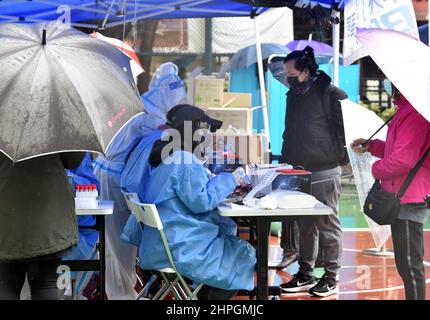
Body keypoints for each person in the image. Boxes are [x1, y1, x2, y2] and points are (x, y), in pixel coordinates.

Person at [137, 105, 256, 300]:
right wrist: (231, 179)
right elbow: (201, 201)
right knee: (242, 256)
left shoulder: (169, 155)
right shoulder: (184, 159)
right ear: (192, 132)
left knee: (231, 244)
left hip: (163, 243)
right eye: (204, 132)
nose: (207, 138)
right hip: (182, 247)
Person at [93, 62, 188, 299]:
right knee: (118, 243)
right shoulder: (148, 112)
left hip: (109, 172)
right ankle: (120, 292)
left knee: (114, 241)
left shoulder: (144, 103)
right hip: (115, 177)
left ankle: (119, 289)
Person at [352, 82, 430, 300]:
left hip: (409, 196)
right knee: (406, 264)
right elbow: (399, 148)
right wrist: (373, 146)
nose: (387, 83)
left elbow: (404, 159)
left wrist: (376, 169)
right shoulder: (407, 109)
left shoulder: (414, 113)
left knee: (410, 266)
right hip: (404, 194)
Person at [279, 46, 347, 297]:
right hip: (299, 170)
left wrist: (336, 157)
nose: (288, 78)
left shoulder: (332, 94)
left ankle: (331, 277)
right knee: (305, 224)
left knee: (327, 224)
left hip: (325, 170)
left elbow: (344, 132)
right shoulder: (292, 95)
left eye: (291, 73)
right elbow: (289, 130)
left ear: (306, 72)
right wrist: (286, 161)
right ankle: (305, 273)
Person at [0, 152, 85, 300]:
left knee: (5, 284)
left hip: (5, 218)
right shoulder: (57, 127)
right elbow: (73, 160)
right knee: (45, 284)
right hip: (48, 218)